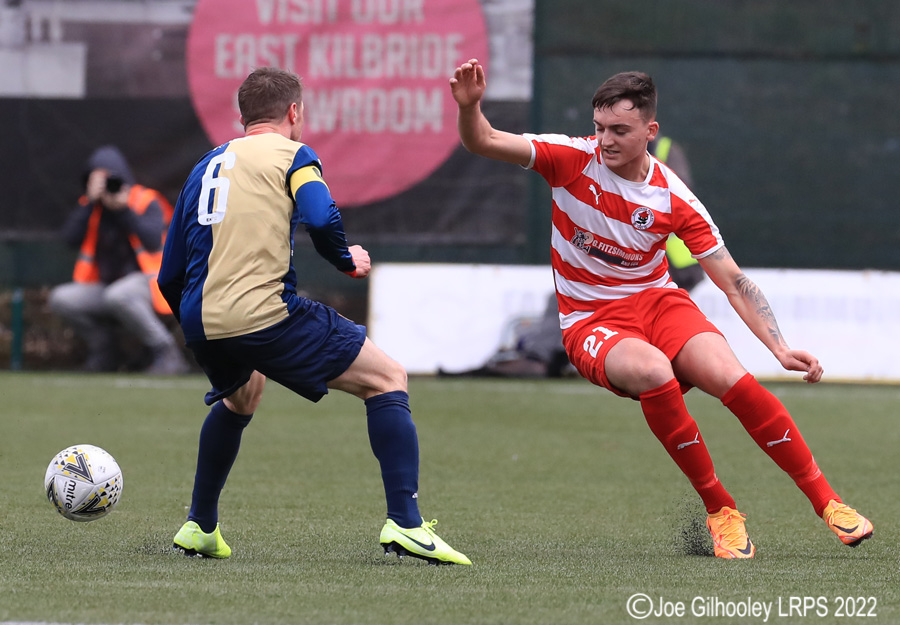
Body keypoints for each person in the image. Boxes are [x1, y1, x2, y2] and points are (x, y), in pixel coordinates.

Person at [450, 60, 873, 558]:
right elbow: (483, 141)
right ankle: (721, 511)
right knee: (652, 370)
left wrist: (778, 348)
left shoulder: (674, 197)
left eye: (619, 130)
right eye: (599, 128)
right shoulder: (568, 158)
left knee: (733, 379)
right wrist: (471, 106)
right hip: (590, 319)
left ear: (650, 131)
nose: (605, 140)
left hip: (657, 302)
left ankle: (829, 503)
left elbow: (733, 281)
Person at [158, 67, 470, 565]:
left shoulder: (205, 165)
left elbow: (169, 272)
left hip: (201, 319)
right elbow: (321, 216)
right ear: (295, 112)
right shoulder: (294, 154)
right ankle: (407, 525)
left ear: (242, 117)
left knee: (243, 395)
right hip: (263, 314)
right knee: (388, 377)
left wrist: (202, 326)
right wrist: (347, 259)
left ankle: (199, 525)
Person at [49, 145, 190, 375]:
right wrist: (91, 201)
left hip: (153, 285)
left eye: (111, 180)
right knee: (62, 298)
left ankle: (166, 352)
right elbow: (69, 239)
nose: (107, 187)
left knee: (120, 293)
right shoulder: (92, 206)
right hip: (108, 287)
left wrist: (124, 210)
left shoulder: (144, 200)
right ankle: (105, 351)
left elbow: (153, 241)